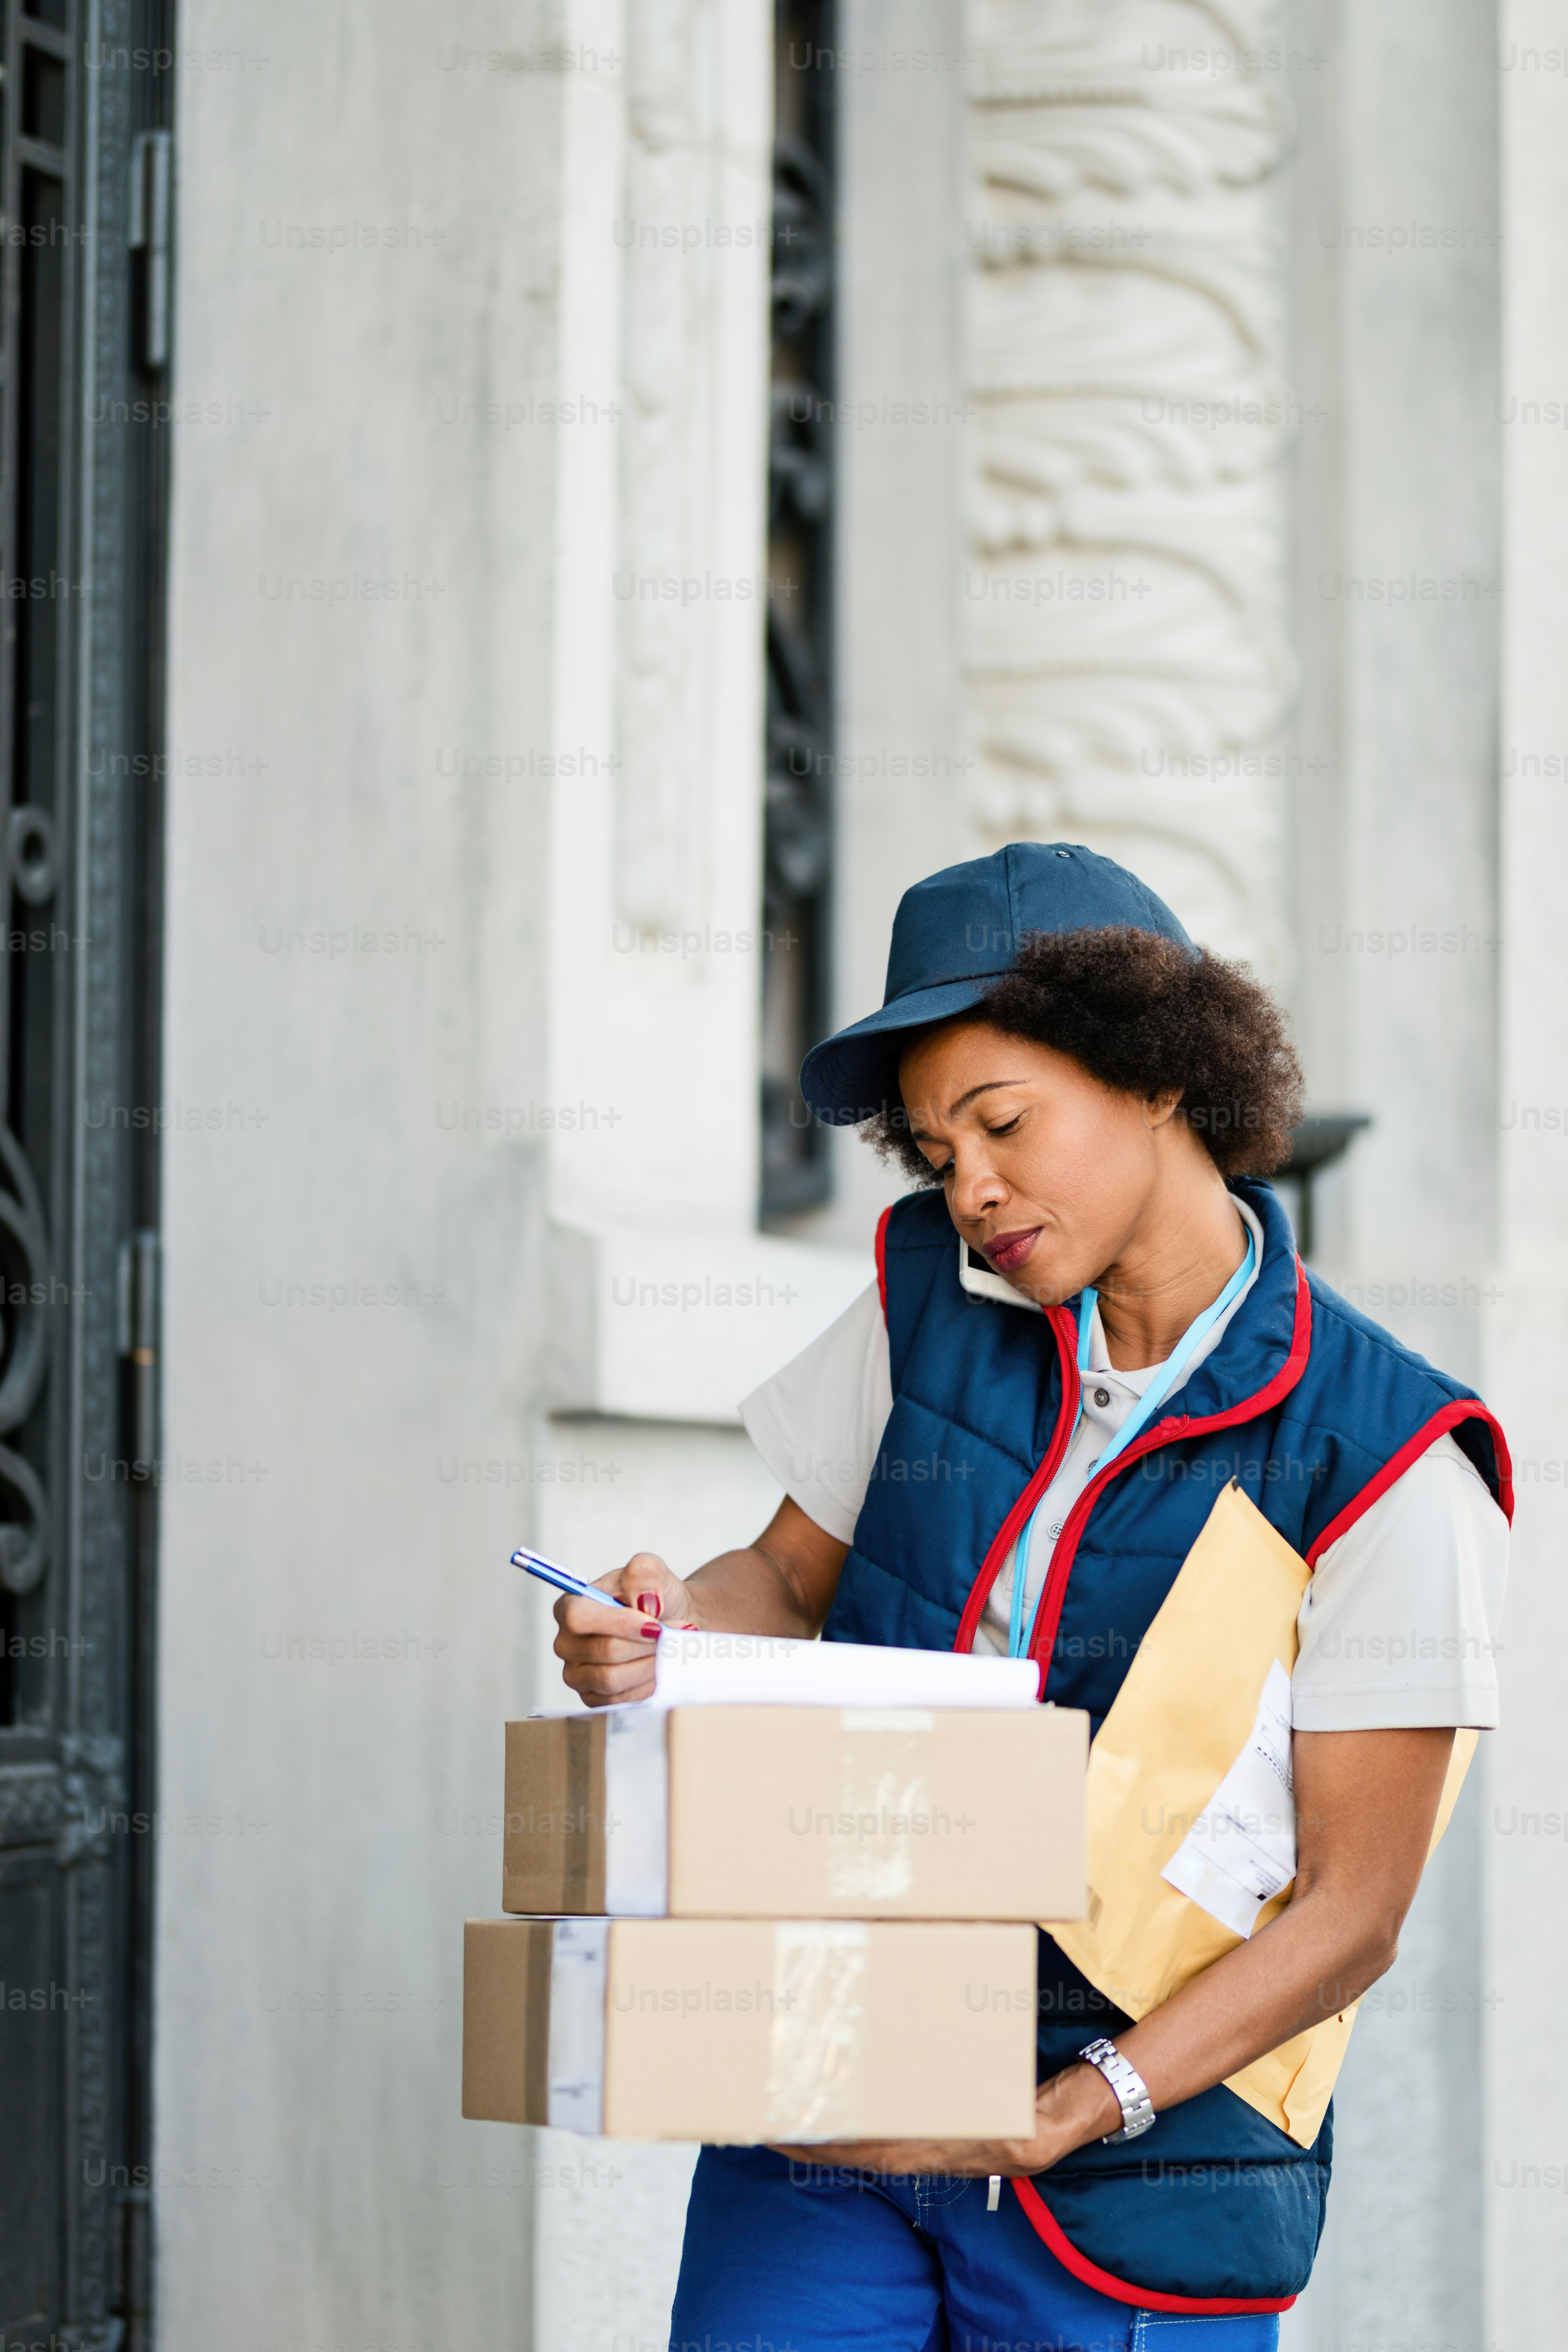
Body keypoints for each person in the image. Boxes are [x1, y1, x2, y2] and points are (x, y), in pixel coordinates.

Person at [554, 843, 1511, 2352]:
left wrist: (1067, 2110)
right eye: (936, 1153)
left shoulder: (1381, 1451)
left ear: (1160, 1074)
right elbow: (785, 1577)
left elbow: (1351, 1913)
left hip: (1139, 2174)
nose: (972, 1189)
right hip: (838, 2095)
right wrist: (670, 1623)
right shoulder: (927, 1306)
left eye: (1002, 1125)